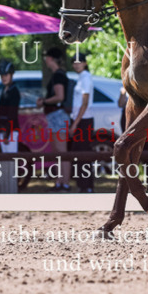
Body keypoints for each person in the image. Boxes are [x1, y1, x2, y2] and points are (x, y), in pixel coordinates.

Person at [37, 47, 71, 190]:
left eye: (46, 57)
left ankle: (64, 182)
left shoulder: (58, 76)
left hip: (58, 115)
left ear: (50, 58)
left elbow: (59, 97)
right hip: (56, 115)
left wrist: (44, 101)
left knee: (61, 151)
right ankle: (60, 181)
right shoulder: (59, 74)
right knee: (58, 151)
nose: (45, 60)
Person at [68, 50, 95, 193]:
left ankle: (87, 185)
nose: (76, 64)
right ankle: (82, 184)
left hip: (84, 121)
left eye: (79, 62)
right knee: (78, 153)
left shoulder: (86, 78)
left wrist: (75, 123)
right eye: (74, 62)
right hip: (79, 120)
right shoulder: (80, 78)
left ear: (85, 63)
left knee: (84, 153)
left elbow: (84, 103)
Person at [0, 59, 21, 150]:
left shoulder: (14, 91)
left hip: (10, 130)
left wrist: (7, 133)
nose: (3, 78)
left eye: (6, 75)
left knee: (11, 158)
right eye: (1, 75)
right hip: (3, 129)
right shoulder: (5, 90)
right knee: (5, 158)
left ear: (11, 75)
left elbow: (12, 114)